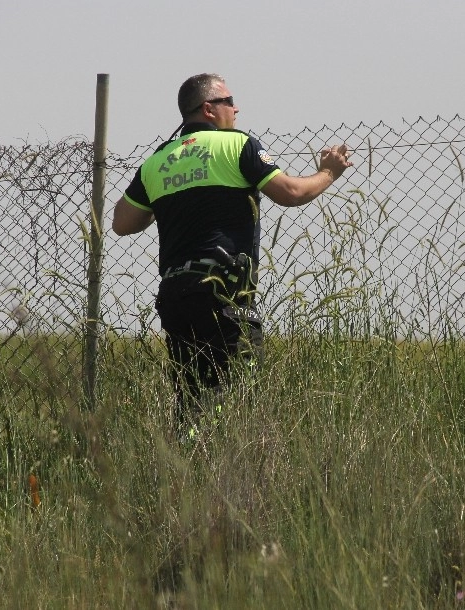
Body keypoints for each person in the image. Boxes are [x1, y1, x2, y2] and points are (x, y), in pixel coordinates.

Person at [112, 73, 352, 430]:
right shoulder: (236, 145)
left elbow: (122, 222)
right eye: (229, 101)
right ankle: (203, 459)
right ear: (209, 109)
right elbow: (292, 194)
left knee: (192, 394)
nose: (236, 108)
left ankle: (185, 460)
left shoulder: (158, 160)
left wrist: (167, 201)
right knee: (235, 388)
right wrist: (328, 173)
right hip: (222, 293)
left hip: (175, 293)